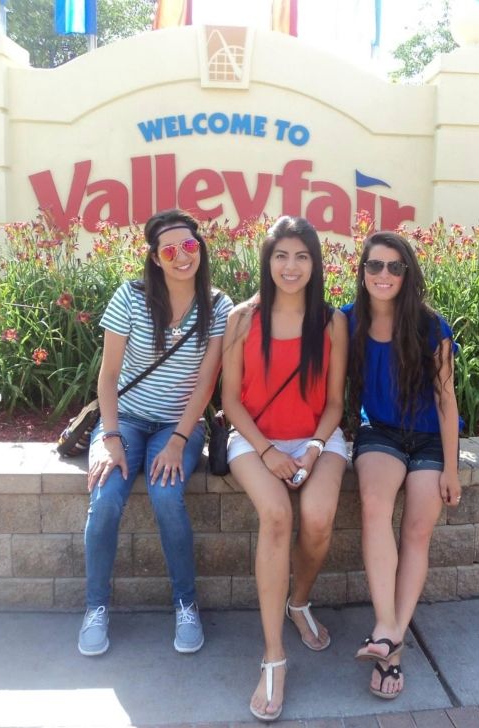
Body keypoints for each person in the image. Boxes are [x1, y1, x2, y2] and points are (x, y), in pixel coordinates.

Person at [78, 209, 233, 657]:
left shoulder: (218, 306)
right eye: (170, 249)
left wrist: (179, 440)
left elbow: (206, 384)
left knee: (167, 495)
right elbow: (107, 377)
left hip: (177, 424)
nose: (182, 256)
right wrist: (109, 438)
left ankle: (186, 604)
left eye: (189, 246)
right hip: (124, 419)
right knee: (105, 496)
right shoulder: (130, 297)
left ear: (199, 248)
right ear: (155, 257)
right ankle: (95, 607)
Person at [221, 216, 348, 722]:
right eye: (280, 256)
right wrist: (269, 451)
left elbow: (336, 402)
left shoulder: (332, 321)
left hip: (320, 436)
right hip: (253, 438)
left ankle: (299, 602)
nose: (290, 266)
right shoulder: (241, 319)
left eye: (300, 256)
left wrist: (316, 446)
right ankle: (274, 656)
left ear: (314, 263)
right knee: (277, 517)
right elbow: (230, 400)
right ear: (266, 261)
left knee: (317, 519)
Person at [341, 231, 461, 700]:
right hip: (381, 432)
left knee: (416, 530)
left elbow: (446, 401)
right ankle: (387, 627)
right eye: (374, 266)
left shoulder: (432, 326)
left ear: (407, 273)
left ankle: (390, 645)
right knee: (374, 506)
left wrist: (450, 469)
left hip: (430, 435)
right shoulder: (348, 322)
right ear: (363, 272)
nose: (384, 275)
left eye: (394, 267)